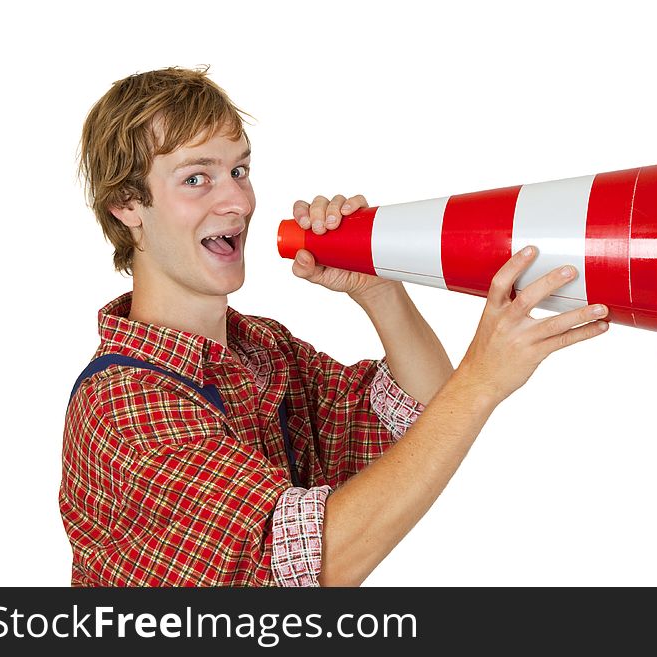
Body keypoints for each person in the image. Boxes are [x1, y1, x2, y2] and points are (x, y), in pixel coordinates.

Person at [60, 66, 610, 587]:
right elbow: (315, 562)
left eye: (239, 170)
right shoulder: (126, 404)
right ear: (127, 206)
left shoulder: (260, 349)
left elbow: (420, 414)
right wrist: (482, 380)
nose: (237, 200)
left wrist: (380, 287)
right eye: (197, 178)